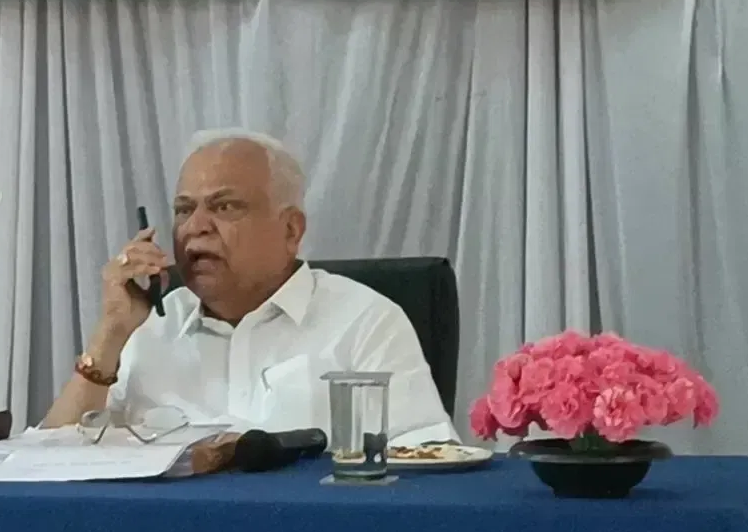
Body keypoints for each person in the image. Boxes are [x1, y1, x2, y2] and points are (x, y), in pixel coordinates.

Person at [43, 129, 455, 444]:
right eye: (184, 210)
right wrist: (110, 334)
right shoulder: (149, 329)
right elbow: (46, 467)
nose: (196, 227)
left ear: (291, 230)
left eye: (224, 207)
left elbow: (425, 463)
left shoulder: (364, 322)